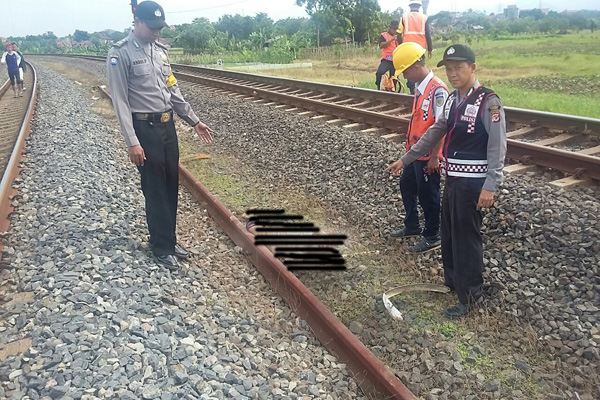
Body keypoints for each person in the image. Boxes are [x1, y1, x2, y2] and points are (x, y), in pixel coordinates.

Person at [386, 44, 507, 319]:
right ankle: (454, 284)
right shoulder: (453, 100)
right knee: (450, 234)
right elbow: (432, 134)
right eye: (449, 69)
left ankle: (471, 296)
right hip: (453, 181)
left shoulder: (489, 102)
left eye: (459, 68)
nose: (453, 73)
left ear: (472, 68)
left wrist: (491, 185)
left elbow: (498, 148)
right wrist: (405, 160)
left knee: (466, 239)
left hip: (473, 185)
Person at [107, 0, 214, 270]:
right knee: (154, 189)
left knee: (169, 186)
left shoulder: (160, 52)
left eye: (159, 28)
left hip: (167, 126)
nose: (157, 32)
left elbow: (172, 90)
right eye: (152, 27)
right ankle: (160, 246)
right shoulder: (120, 53)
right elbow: (120, 102)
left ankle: (170, 239)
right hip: (144, 128)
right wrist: (132, 141)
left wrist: (194, 121)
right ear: (138, 22)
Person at [389, 42, 448, 253]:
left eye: (404, 71)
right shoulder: (420, 87)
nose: (404, 76)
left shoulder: (438, 90)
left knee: (428, 196)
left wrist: (435, 157)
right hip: (415, 153)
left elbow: (442, 126)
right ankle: (412, 225)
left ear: (415, 66)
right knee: (407, 186)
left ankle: (433, 235)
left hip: (428, 157)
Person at [401, 0, 433, 94]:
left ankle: (413, 91)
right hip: (420, 49)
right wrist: (430, 49)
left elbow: (399, 34)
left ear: (410, 6)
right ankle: (421, 90)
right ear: (419, 7)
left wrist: (401, 46)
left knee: (409, 69)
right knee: (420, 68)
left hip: (408, 49)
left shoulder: (404, 17)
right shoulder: (424, 17)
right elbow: (428, 34)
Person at [375, 21, 400, 91]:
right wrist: (391, 40)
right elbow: (381, 46)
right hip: (386, 60)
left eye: (397, 29)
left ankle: (392, 92)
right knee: (380, 72)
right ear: (390, 28)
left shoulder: (399, 37)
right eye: (394, 29)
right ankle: (379, 88)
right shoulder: (384, 35)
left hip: (395, 60)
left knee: (394, 78)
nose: (395, 31)